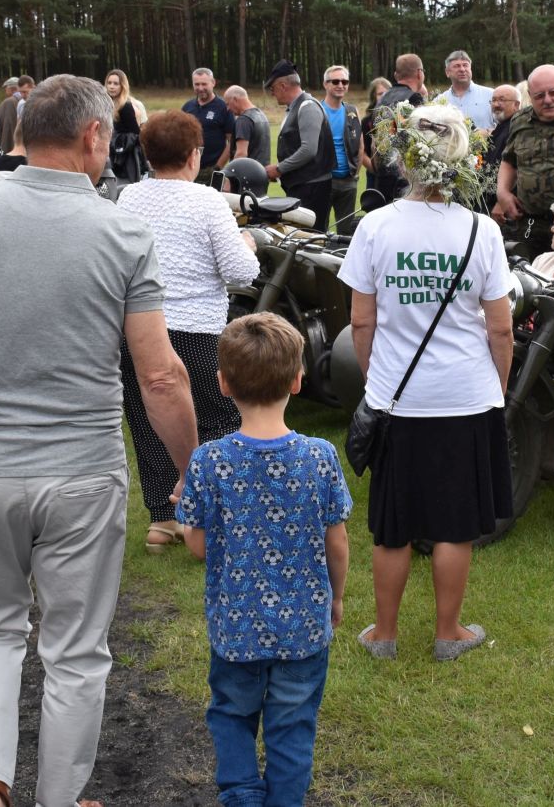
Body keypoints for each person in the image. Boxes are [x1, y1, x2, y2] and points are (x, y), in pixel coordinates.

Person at [0, 74, 199, 807]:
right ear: (93, 136)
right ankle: (60, 796)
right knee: (75, 650)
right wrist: (189, 466)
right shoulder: (122, 232)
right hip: (83, 468)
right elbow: (160, 374)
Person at [341, 102, 513, 662]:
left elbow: (361, 322)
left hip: (397, 397)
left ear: (403, 158)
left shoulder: (374, 225)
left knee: (392, 525)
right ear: (463, 161)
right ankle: (448, 633)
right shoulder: (482, 229)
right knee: (454, 524)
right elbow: (500, 328)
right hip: (466, 394)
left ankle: (384, 634)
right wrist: (498, 388)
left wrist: (377, 381)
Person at [177, 313, 352, 807]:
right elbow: (337, 542)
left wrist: (191, 519)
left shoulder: (209, 461)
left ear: (223, 383)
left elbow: (198, 546)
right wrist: (336, 598)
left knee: (231, 716)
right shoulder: (320, 456)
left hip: (236, 629)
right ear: (297, 380)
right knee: (292, 727)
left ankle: (242, 796)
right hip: (303, 628)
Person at [118, 110, 260, 552]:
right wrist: (248, 244)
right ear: (195, 154)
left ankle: (163, 521)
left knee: (148, 421)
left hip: (138, 329)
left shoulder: (128, 198)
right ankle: (209, 517)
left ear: (148, 155)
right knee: (217, 419)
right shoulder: (208, 201)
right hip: (197, 330)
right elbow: (241, 272)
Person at [496, 64, 554, 256]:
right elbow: (509, 160)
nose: (547, 100)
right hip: (529, 223)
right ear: (529, 95)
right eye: (539, 96)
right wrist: (502, 192)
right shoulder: (520, 120)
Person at [263, 61, 333, 231]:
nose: (272, 93)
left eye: (272, 88)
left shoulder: (307, 107)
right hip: (304, 187)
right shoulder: (297, 107)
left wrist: (279, 169)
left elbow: (308, 150)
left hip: (311, 189)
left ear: (283, 86)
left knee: (311, 238)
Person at [368, 55, 426, 199]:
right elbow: (422, 141)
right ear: (419, 73)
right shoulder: (413, 98)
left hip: (382, 179)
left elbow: (374, 144)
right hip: (404, 183)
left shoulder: (382, 99)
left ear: (395, 75)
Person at [321, 65, 363, 231]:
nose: (341, 85)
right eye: (335, 81)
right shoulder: (317, 109)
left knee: (346, 232)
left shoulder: (352, 111)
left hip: (348, 182)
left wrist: (355, 174)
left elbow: (360, 145)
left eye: (344, 82)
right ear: (325, 84)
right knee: (319, 229)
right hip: (324, 181)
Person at [184, 67, 235, 174]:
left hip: (212, 169)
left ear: (213, 83)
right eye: (197, 84)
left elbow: (232, 141)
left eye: (204, 84)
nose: (200, 88)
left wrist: (218, 167)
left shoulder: (224, 107)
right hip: (188, 168)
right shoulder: (187, 107)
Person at [106, 68, 146, 184]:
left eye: (116, 84)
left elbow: (136, 133)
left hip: (125, 154)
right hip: (109, 150)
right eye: (109, 83)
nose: (112, 86)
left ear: (122, 86)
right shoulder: (105, 103)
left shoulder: (125, 106)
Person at [440, 49, 495, 132]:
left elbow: (505, 127)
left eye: (465, 65)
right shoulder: (439, 101)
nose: (462, 69)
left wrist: (487, 133)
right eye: (457, 66)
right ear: (447, 72)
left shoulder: (491, 95)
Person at [224, 84, 271, 167]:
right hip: (262, 171)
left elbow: (241, 154)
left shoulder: (244, 120)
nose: (227, 108)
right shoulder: (261, 115)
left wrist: (231, 171)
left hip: (248, 172)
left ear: (235, 99)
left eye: (228, 104)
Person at [0, 74, 31, 155]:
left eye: (6, 88)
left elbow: (7, 129)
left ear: (12, 89)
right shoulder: (27, 101)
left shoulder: (9, 102)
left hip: (12, 148)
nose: (5, 91)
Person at [486, 84, 520, 167]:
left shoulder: (517, 130)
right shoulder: (501, 127)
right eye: (493, 100)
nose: (496, 105)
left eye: (502, 100)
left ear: (516, 105)